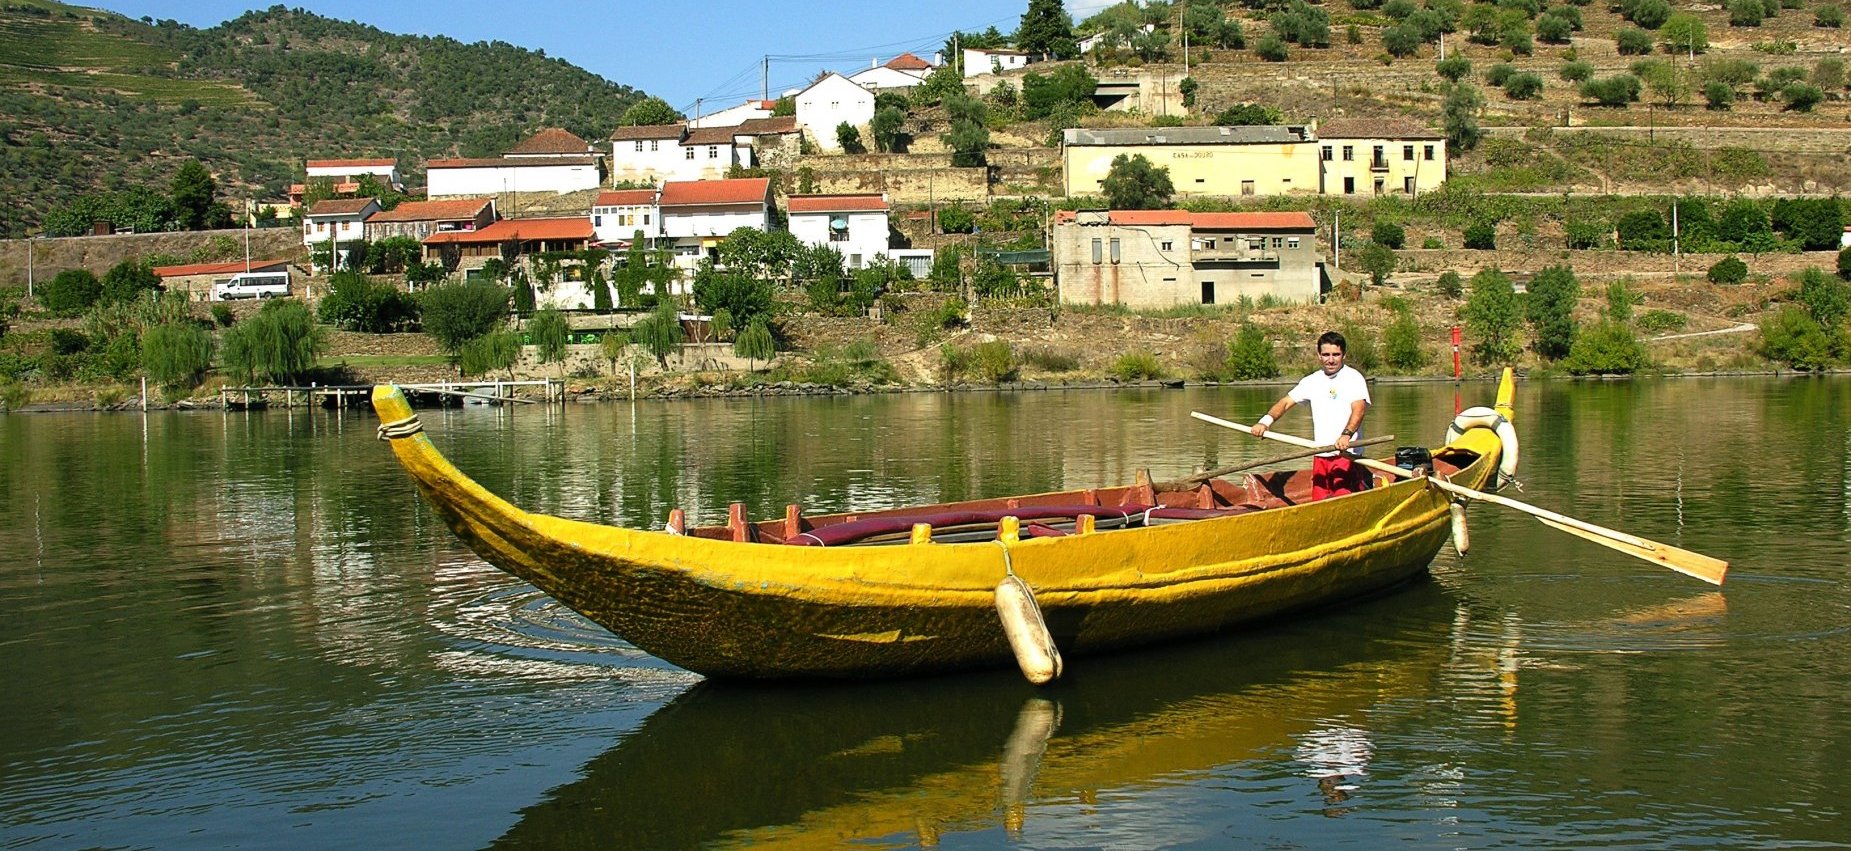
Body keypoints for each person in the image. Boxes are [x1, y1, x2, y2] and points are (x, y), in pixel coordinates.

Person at [1250, 330, 1371, 500]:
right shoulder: (1312, 381)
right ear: (1319, 355)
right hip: (1321, 453)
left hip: (1346, 454)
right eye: (1326, 354)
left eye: (1336, 355)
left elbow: (1359, 409)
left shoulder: (1353, 378)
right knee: (1318, 500)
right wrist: (1265, 422)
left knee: (1344, 498)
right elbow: (1285, 403)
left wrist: (1346, 435)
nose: (1331, 359)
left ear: (1344, 354)